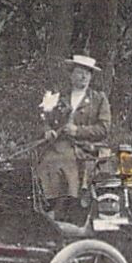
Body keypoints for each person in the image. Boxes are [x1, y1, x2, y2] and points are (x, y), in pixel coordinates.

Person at [33, 54, 113, 224]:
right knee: (48, 160)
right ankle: (49, 205)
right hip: (57, 144)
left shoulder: (99, 98)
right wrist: (47, 131)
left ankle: (64, 208)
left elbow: (104, 129)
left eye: (87, 73)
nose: (83, 76)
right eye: (79, 72)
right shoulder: (55, 96)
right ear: (71, 74)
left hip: (85, 146)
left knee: (62, 159)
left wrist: (78, 131)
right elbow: (41, 119)